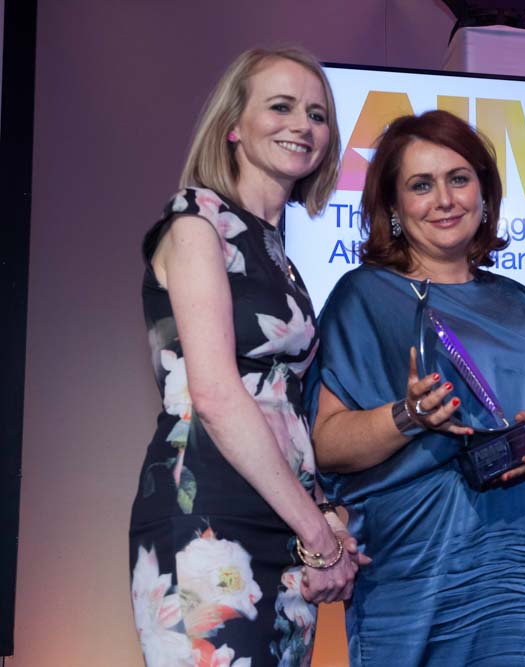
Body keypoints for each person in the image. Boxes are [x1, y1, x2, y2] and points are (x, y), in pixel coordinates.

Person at [307, 109, 525, 666]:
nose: (444, 199)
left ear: (483, 193)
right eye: (421, 185)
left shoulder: (519, 302)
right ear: (393, 207)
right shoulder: (361, 297)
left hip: (518, 568)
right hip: (414, 568)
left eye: (458, 179)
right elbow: (327, 444)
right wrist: (408, 415)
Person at [129, 47, 367, 666]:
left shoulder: (279, 255)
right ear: (233, 124)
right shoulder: (195, 222)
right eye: (281, 107)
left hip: (287, 526)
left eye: (317, 114)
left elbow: (287, 409)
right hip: (209, 517)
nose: (302, 125)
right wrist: (318, 535)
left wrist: (323, 520)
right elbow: (213, 394)